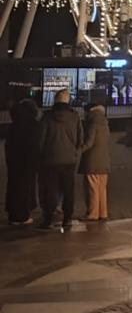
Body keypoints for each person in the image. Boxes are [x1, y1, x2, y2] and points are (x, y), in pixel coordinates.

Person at [37, 89, 84, 231]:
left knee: (50, 190)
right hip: (69, 160)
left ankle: (48, 218)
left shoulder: (47, 117)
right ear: (68, 101)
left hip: (50, 160)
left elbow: (40, 141)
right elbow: (80, 139)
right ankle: (67, 218)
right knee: (68, 190)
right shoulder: (75, 117)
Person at [4, 98, 42, 225]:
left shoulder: (14, 124)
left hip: (14, 161)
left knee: (14, 186)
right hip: (28, 161)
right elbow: (36, 144)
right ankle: (22, 216)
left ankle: (13, 214)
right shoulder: (32, 124)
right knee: (26, 188)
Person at [79, 101, 111, 222]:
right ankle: (103, 212)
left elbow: (89, 142)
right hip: (104, 160)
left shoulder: (93, 123)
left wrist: (78, 149)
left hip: (92, 160)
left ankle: (92, 213)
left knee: (92, 188)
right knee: (102, 188)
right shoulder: (104, 122)